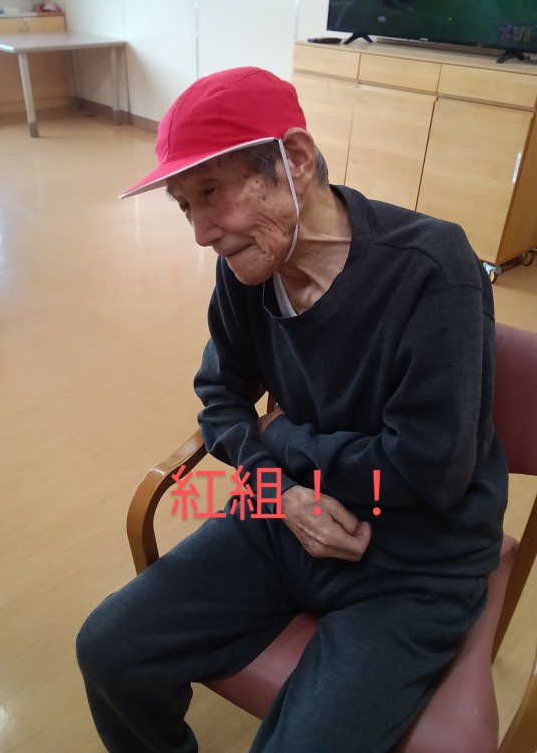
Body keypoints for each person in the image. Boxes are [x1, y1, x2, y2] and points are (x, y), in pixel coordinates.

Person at [76, 66, 507, 753]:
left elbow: (429, 470)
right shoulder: (247, 269)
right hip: (283, 517)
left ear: (296, 160)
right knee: (108, 647)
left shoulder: (431, 267)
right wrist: (280, 494)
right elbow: (221, 400)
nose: (201, 233)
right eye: (185, 206)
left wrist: (282, 441)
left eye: (212, 193)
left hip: (413, 561)